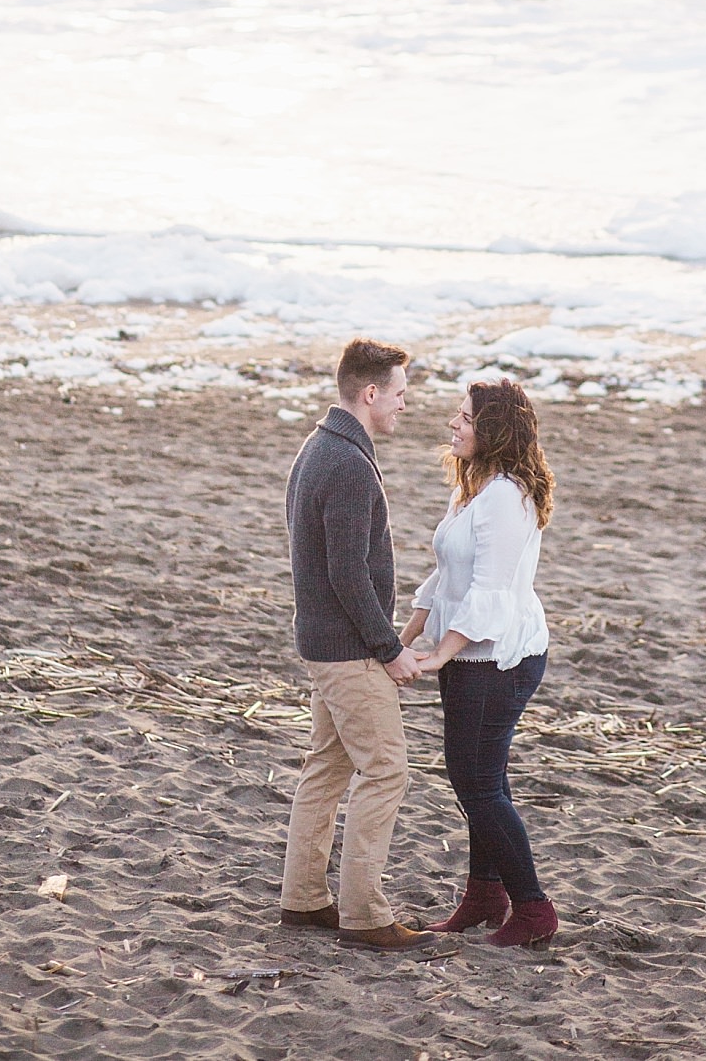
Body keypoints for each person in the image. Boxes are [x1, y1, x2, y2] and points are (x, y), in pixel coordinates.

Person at [280, 337, 429, 952]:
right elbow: (347, 572)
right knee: (387, 770)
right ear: (370, 394)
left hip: (324, 641)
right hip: (346, 649)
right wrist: (390, 647)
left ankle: (305, 899)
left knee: (329, 766)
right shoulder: (343, 461)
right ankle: (364, 914)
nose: (402, 406)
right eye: (398, 394)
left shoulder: (321, 446)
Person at [403, 376, 559, 946]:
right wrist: (409, 633)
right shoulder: (475, 487)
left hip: (497, 659)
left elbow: (489, 591)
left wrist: (439, 655)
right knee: (482, 780)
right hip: (472, 655)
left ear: (492, 429)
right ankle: (485, 894)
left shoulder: (505, 498)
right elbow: (448, 576)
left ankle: (534, 910)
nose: (453, 425)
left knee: (477, 784)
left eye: (464, 418)